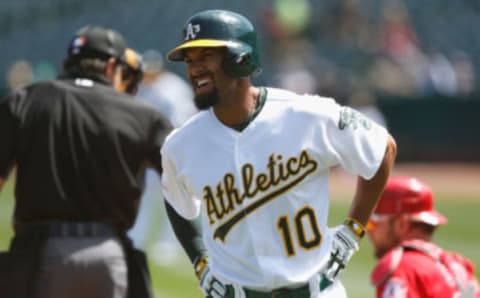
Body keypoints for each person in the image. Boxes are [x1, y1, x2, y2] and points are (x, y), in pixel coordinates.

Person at [161, 9, 397, 298]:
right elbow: (175, 200)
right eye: (189, 60)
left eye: (205, 56)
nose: (194, 69)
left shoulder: (306, 114)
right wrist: (200, 262)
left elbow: (382, 148)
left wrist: (352, 232)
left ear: (240, 59)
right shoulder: (181, 145)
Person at [0, 25, 203, 298]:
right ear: (111, 66)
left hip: (37, 251)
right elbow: (187, 184)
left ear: (68, 62)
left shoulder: (23, 101)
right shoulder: (141, 114)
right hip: (109, 255)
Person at [128, 49, 198, 264]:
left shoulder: (173, 89)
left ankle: (169, 243)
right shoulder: (141, 88)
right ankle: (137, 236)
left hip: (173, 150)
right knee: (146, 194)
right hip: (150, 152)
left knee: (175, 196)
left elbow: (183, 119)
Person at [367, 176, 480, 298]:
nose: (368, 231)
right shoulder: (459, 268)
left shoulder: (402, 269)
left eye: (372, 223)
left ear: (401, 224)